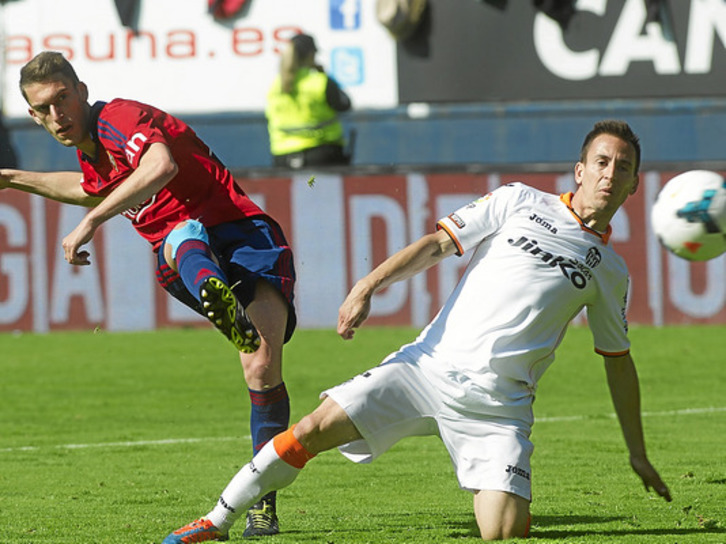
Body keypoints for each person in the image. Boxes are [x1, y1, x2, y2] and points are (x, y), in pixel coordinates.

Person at [164, 119, 674, 543]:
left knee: (502, 532)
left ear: (634, 184)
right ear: (580, 170)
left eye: (623, 167)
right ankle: (215, 521)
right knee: (311, 430)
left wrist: (637, 451)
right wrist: (368, 285)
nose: (610, 174)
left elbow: (618, 361)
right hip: (425, 369)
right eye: (602, 162)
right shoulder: (519, 201)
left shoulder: (611, 272)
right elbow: (436, 245)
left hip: (498, 409)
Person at [0, 51, 296, 537]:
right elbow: (90, 187)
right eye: (45, 108)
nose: (58, 114)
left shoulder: (119, 117)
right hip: (186, 255)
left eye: (63, 98)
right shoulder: (92, 152)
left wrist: (92, 222)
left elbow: (160, 165)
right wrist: (11, 179)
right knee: (181, 235)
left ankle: (262, 503)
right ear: (34, 116)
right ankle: (213, 288)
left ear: (82, 92)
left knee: (262, 369)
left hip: (243, 234)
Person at [265, 32, 352, 169]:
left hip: (282, 157)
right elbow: (345, 104)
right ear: (311, 55)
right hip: (322, 155)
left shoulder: (276, 85)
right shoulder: (320, 82)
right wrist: (323, 74)